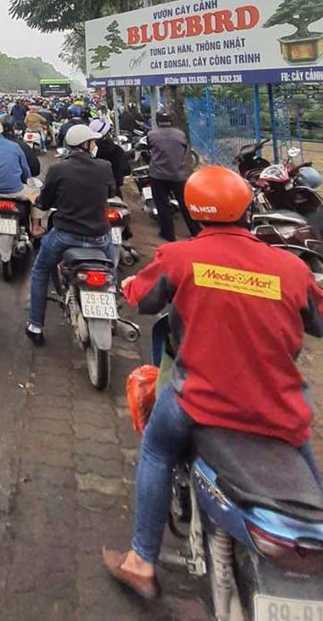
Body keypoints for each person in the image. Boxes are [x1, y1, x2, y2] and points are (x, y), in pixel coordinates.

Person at [103, 166, 323, 601]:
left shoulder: (180, 257)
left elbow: (144, 300)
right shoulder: (291, 268)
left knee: (156, 450)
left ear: (193, 211)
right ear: (246, 208)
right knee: (309, 491)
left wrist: (129, 284)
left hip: (197, 398)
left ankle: (141, 560)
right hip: (279, 406)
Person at [25, 123, 115, 348]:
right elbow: (111, 192)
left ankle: (35, 325)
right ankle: (113, 306)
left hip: (65, 235)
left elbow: (45, 202)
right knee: (111, 273)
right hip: (99, 236)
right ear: (85, 145)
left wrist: (35, 200)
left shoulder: (58, 169)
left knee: (40, 270)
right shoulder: (104, 167)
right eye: (92, 142)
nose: (94, 145)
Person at [146, 109, 199, 241]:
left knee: (162, 205)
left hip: (158, 176)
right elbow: (184, 149)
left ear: (157, 121)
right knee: (185, 205)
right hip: (178, 175)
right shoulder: (180, 134)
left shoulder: (152, 134)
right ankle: (196, 231)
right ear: (172, 121)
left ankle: (168, 234)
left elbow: (149, 149)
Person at [0, 116, 37, 227]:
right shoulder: (15, 146)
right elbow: (26, 170)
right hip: (16, 190)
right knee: (36, 193)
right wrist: (30, 185)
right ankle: (36, 227)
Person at [90, 117, 131, 198]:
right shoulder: (117, 150)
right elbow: (126, 170)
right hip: (114, 190)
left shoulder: (89, 151)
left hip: (94, 191)